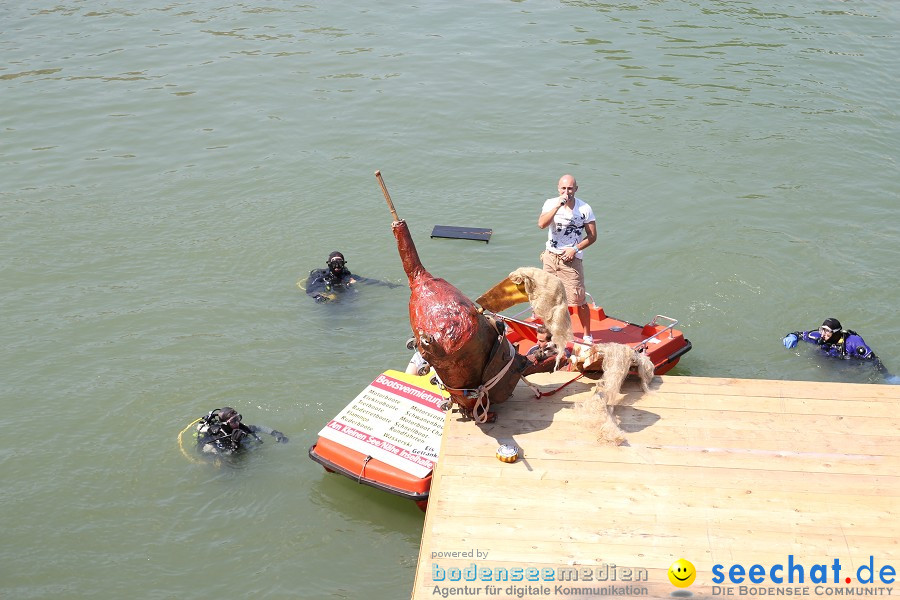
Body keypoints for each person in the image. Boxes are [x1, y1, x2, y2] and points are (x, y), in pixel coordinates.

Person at [538, 174, 597, 344]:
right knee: (549, 296)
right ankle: (551, 331)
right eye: (563, 188)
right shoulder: (550, 203)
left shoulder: (584, 208)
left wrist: (575, 248)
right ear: (558, 188)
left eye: (570, 188)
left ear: (576, 189)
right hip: (550, 257)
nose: (567, 192)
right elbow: (541, 224)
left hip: (571, 260)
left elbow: (592, 236)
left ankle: (587, 335)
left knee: (578, 300)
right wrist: (557, 205)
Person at [302, 251, 400, 303]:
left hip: (343, 297)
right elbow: (310, 290)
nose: (337, 267)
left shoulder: (346, 276)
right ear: (329, 264)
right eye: (334, 264)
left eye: (339, 264)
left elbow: (366, 280)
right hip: (328, 297)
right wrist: (319, 296)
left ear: (343, 264)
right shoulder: (321, 276)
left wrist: (387, 284)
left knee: (353, 294)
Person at [196, 407, 288, 455]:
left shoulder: (239, 426)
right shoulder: (219, 436)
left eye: (238, 418)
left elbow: (259, 428)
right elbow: (227, 457)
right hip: (212, 446)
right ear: (225, 424)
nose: (238, 422)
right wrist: (235, 445)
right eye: (233, 421)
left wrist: (276, 434)